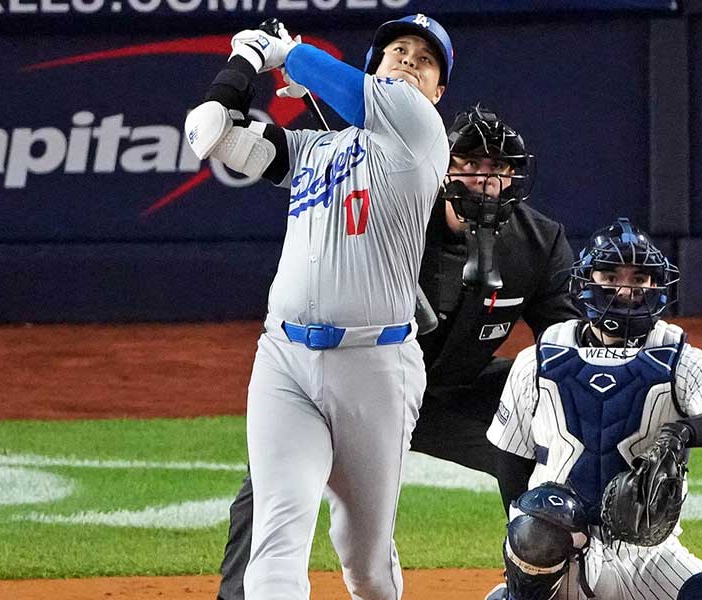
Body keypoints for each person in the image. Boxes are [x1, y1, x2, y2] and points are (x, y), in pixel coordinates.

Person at [214, 104, 582, 600]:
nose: (485, 179)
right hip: (365, 381)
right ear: (443, 165)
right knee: (266, 491)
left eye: (498, 168)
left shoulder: (539, 241)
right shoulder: (394, 210)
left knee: (548, 421)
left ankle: (548, 585)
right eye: (469, 164)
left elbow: (566, 345)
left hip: (452, 394)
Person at [183, 14, 453, 600]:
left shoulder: (422, 130)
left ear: (437, 92)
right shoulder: (316, 149)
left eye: (425, 59)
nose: (408, 59)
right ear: (374, 63)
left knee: (365, 563)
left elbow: (348, 88)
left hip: (375, 369)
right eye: (397, 49)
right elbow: (218, 138)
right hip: (283, 360)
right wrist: (241, 64)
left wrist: (286, 54)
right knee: (277, 537)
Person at [484, 219, 702, 600]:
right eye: (611, 274)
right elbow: (511, 460)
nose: (626, 288)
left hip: (651, 555)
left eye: (640, 277)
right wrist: (525, 554)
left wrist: (686, 431)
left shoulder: (676, 357)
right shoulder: (538, 360)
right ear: (588, 280)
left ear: (656, 285)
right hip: (563, 549)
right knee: (537, 523)